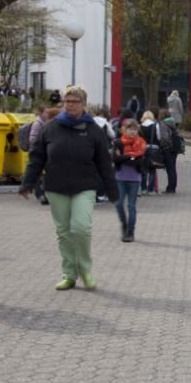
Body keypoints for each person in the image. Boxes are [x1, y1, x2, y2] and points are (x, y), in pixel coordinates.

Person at [21, 86, 119, 291]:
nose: (70, 105)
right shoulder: (51, 128)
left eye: (75, 101)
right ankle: (69, 273)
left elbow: (104, 162)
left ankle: (85, 270)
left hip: (84, 186)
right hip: (57, 186)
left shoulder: (93, 129)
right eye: (67, 101)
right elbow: (37, 157)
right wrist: (27, 183)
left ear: (83, 104)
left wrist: (112, 190)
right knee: (64, 232)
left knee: (81, 228)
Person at [112, 119, 146, 242]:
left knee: (131, 206)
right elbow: (115, 158)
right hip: (120, 178)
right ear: (124, 130)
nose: (132, 132)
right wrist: (130, 157)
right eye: (129, 129)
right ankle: (124, 225)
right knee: (118, 203)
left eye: (134, 129)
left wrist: (125, 157)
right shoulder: (118, 142)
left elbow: (139, 161)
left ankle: (130, 232)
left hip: (134, 179)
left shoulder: (141, 143)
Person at [157, 110, 180, 194]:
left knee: (169, 169)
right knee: (173, 168)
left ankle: (170, 188)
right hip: (175, 148)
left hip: (168, 149)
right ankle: (173, 186)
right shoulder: (172, 122)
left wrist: (163, 146)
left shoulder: (163, 124)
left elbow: (164, 138)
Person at [139, 110, 161, 195]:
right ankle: (151, 189)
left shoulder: (140, 126)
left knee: (144, 169)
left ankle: (143, 189)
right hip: (154, 148)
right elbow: (159, 137)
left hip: (143, 149)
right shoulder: (156, 125)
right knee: (152, 169)